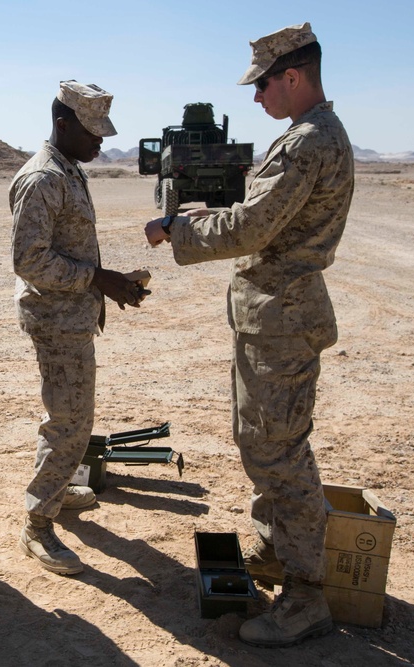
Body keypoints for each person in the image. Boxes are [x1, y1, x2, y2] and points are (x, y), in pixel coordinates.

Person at [145, 23, 353, 647]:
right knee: (261, 440)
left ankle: (306, 594)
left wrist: (176, 232)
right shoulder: (306, 137)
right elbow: (266, 218)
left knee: (280, 452)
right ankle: (273, 544)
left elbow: (254, 228)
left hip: (282, 319)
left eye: (262, 85)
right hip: (273, 317)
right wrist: (211, 215)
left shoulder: (307, 142)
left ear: (292, 76)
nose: (257, 98)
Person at [10, 81, 149, 575]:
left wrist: (108, 283)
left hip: (72, 313)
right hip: (55, 320)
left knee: (70, 417)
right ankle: (38, 523)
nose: (101, 142)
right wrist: (97, 279)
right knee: (69, 421)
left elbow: (65, 249)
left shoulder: (69, 170)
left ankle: (59, 488)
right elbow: (30, 260)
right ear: (62, 123)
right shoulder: (44, 178)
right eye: (92, 131)